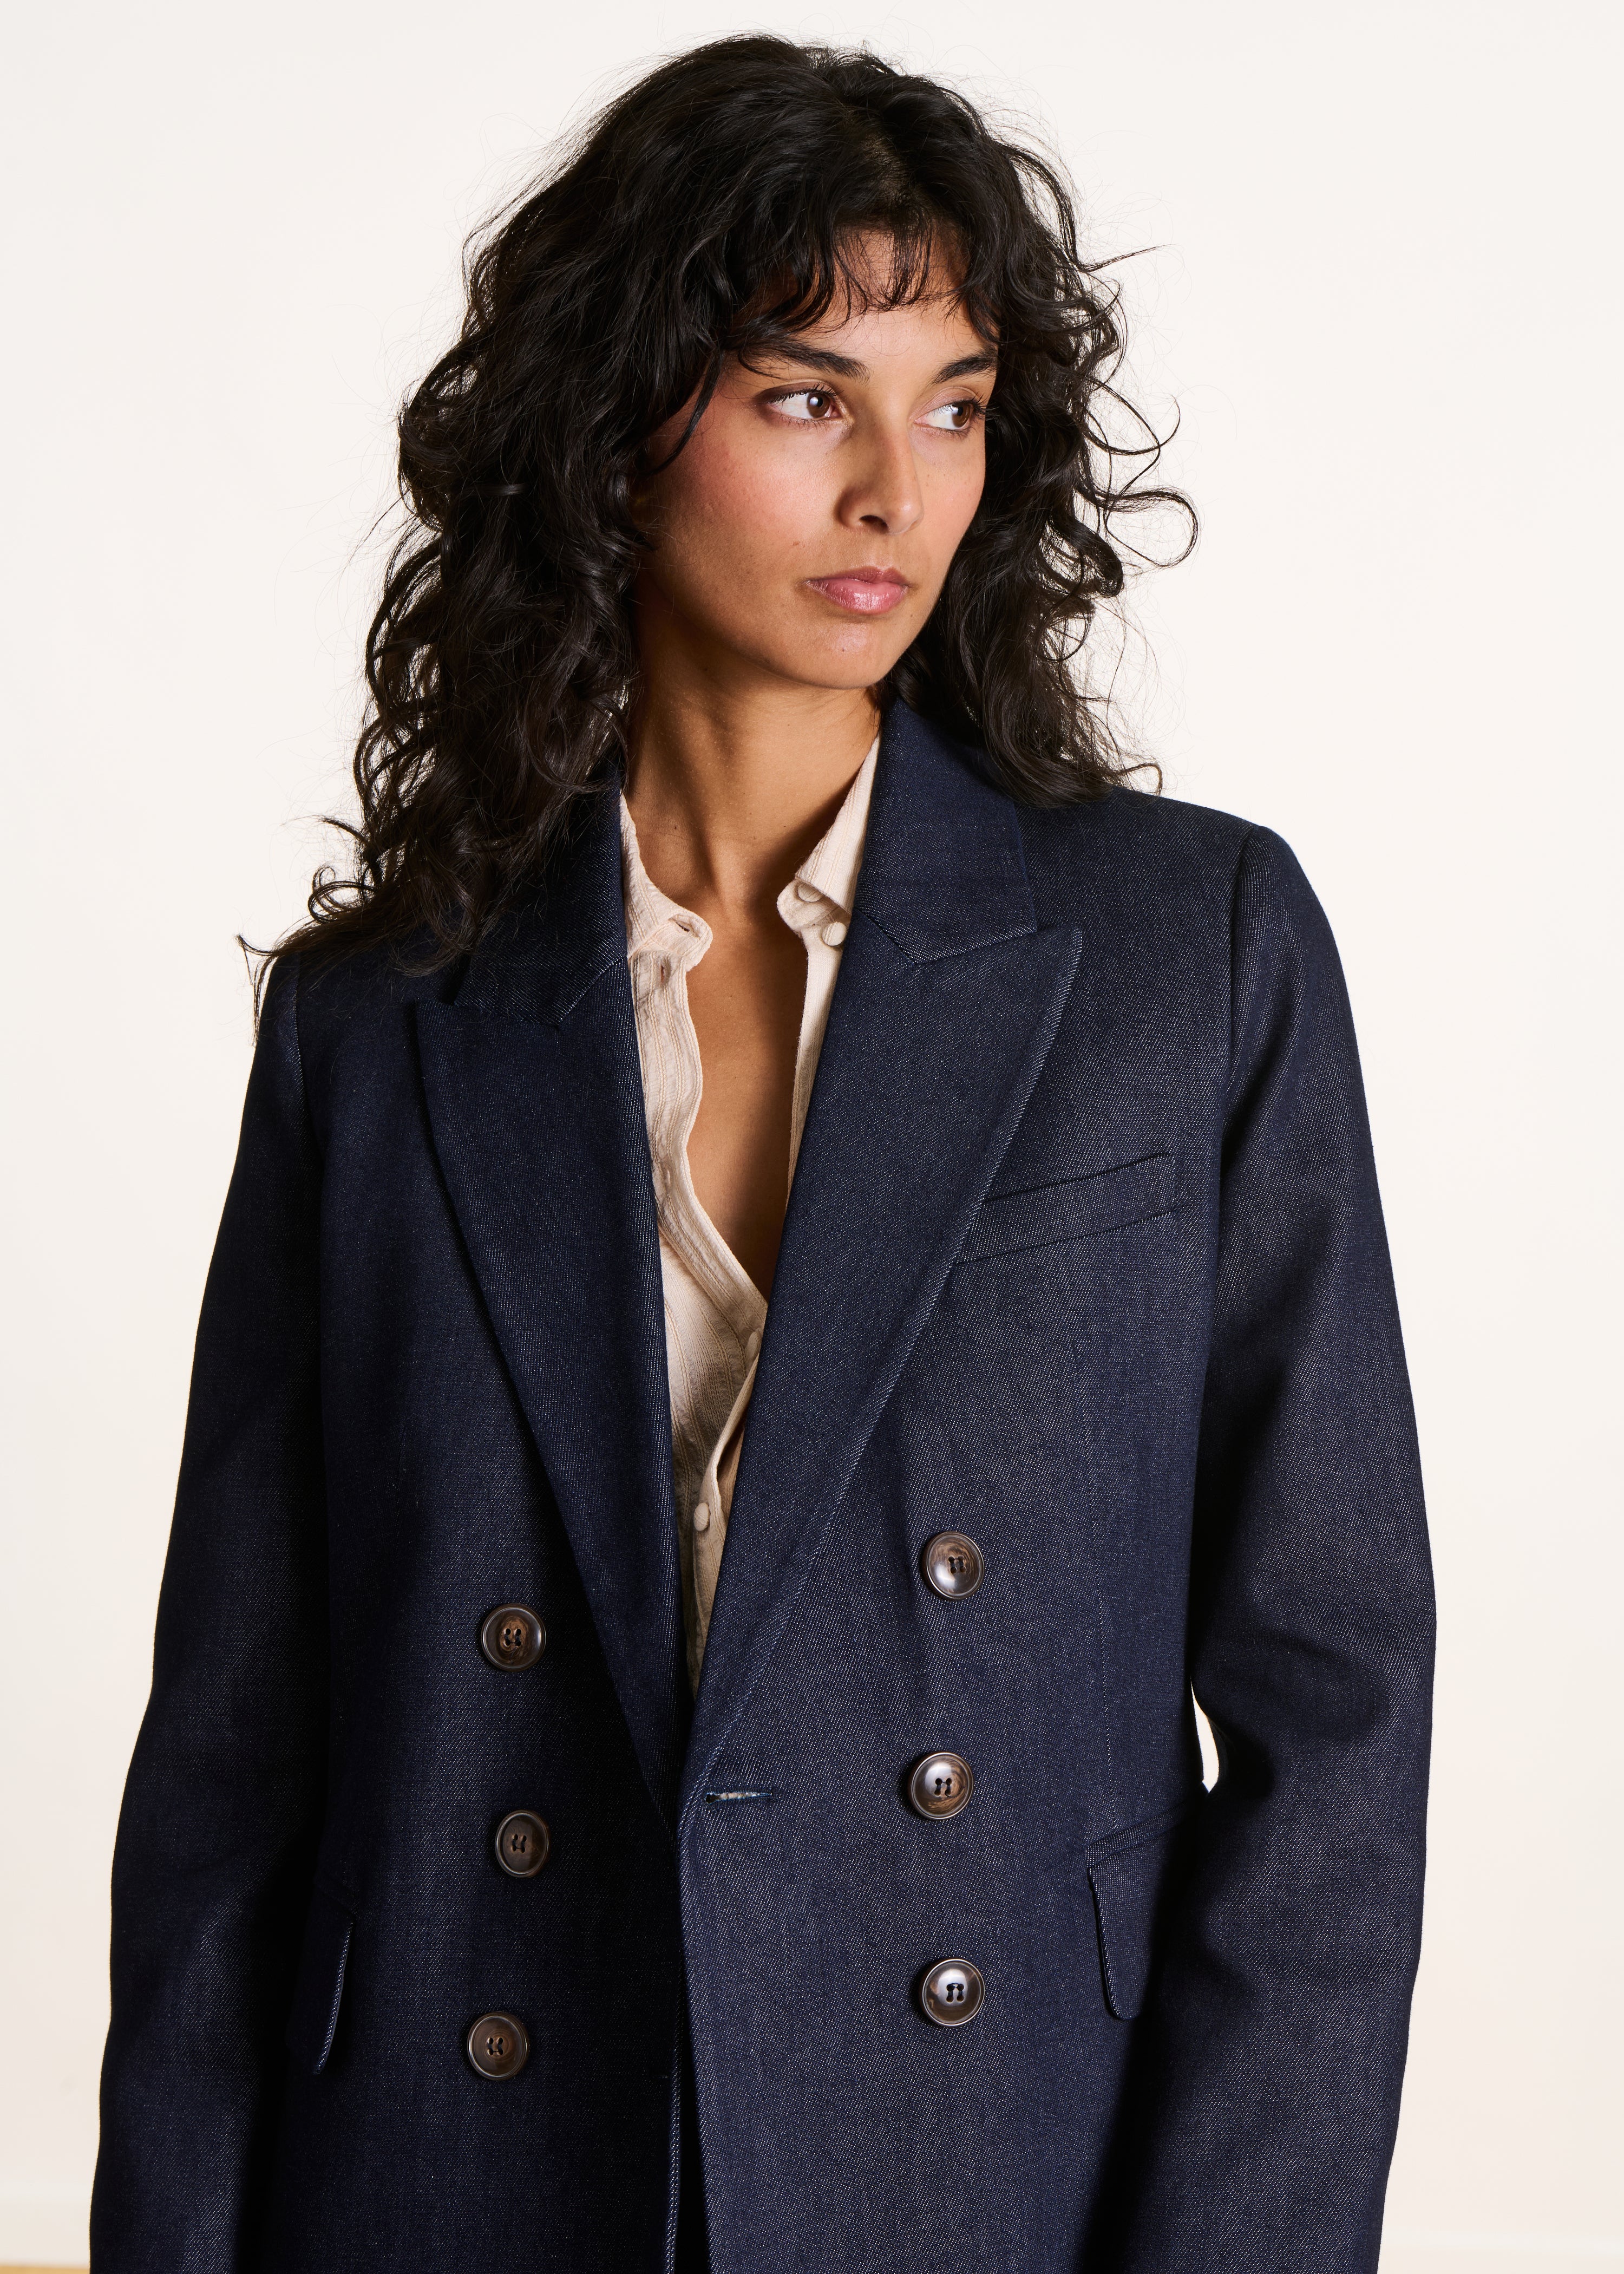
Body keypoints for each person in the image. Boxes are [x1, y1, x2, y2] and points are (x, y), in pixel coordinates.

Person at [90, 34, 1434, 2274]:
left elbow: (1336, 1712)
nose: (899, 489)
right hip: (446, 2183)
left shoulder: (1186, 952)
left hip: (984, 2172)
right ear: (614, 427)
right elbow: (234, 1773)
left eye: (956, 404)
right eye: (810, 399)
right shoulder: (382, 1021)